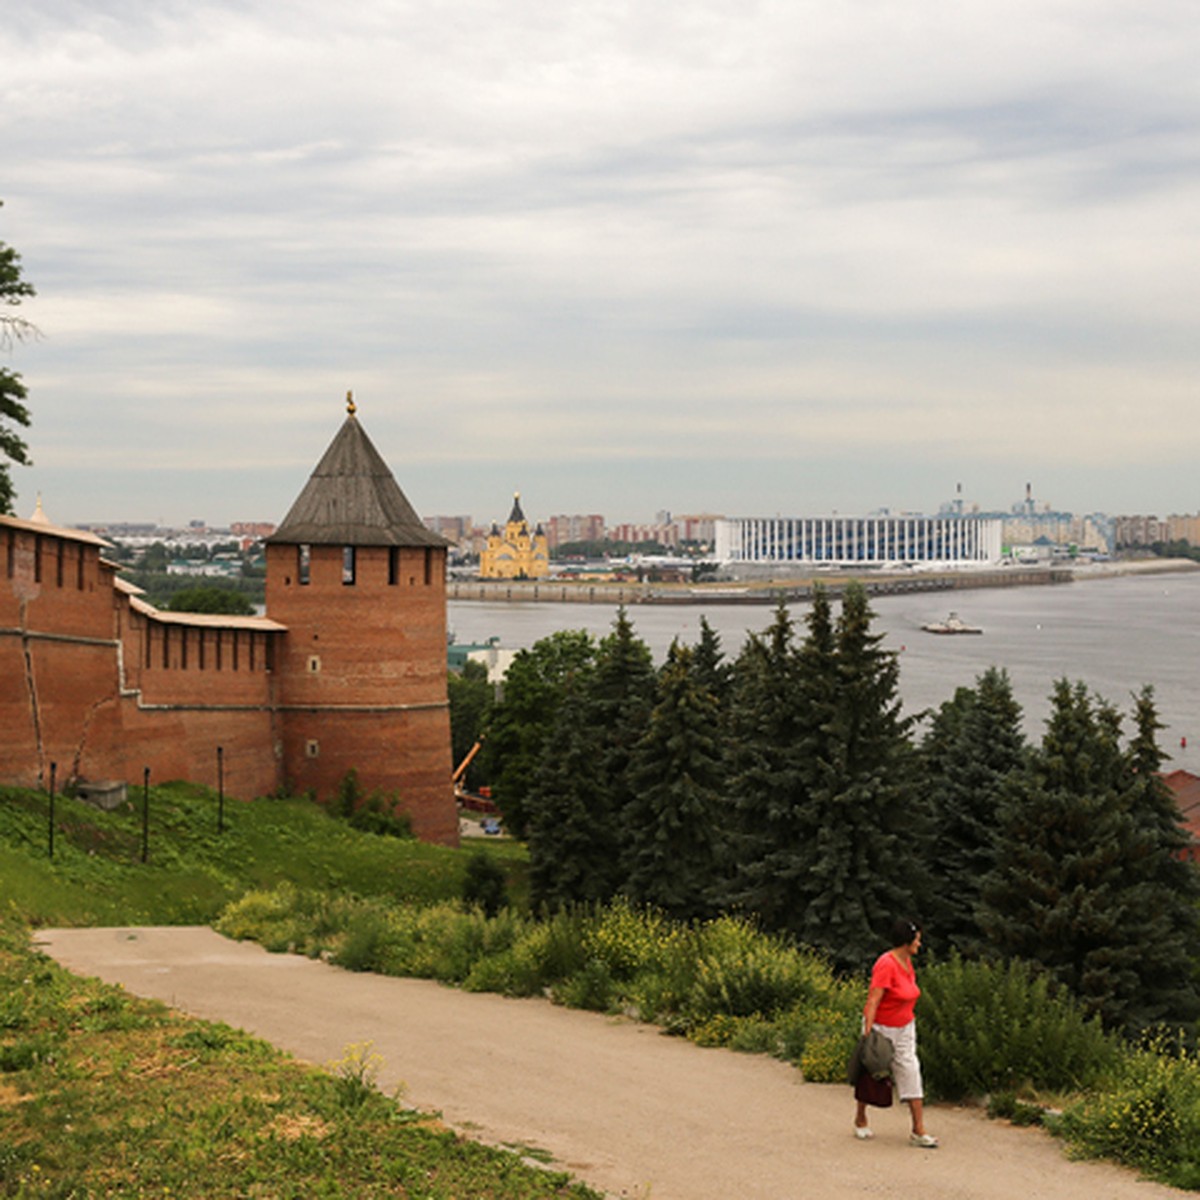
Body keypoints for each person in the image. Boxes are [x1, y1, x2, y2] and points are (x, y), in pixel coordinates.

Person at [854, 917, 938, 1148]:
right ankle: (860, 1118)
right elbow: (873, 1000)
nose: (920, 944)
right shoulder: (886, 964)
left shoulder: (907, 961)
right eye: (917, 940)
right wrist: (868, 1035)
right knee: (873, 1074)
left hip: (905, 1028)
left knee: (911, 1070)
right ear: (906, 941)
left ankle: (918, 1130)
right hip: (881, 1029)